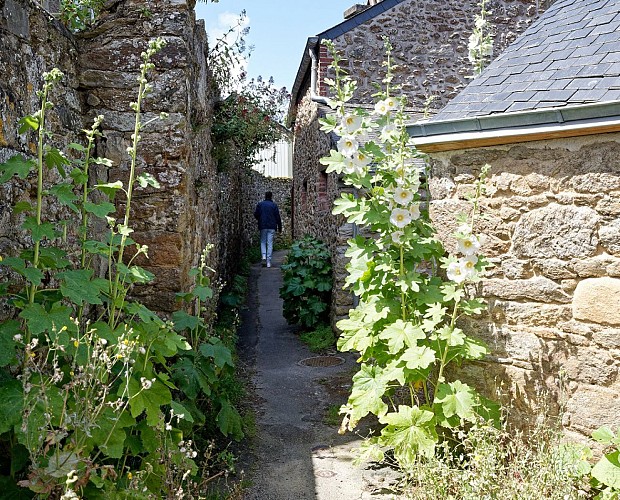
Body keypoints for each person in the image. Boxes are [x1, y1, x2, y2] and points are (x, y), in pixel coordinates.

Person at [254, 191, 282, 268]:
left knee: (263, 241)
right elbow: (277, 217)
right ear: (271, 196)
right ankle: (268, 261)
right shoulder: (274, 205)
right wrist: (280, 227)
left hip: (263, 225)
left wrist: (260, 219)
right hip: (272, 226)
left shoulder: (260, 205)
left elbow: (256, 214)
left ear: (265, 196)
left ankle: (263, 256)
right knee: (270, 243)